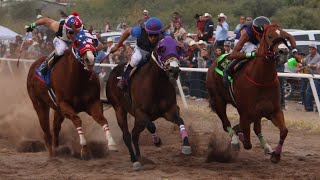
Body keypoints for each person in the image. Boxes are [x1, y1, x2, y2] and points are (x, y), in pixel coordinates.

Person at [222, 16, 298, 86]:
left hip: (255, 41)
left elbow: (289, 36)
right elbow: (234, 54)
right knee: (254, 52)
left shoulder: (268, 28)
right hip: (244, 41)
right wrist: (252, 54)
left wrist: (294, 50)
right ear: (256, 32)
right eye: (260, 35)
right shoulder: (245, 33)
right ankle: (228, 70)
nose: (260, 36)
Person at [110, 17, 165, 90]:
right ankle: (124, 78)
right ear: (146, 30)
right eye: (150, 35)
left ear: (160, 32)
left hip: (154, 51)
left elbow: (172, 41)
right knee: (137, 58)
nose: (153, 38)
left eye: (156, 35)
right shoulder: (139, 30)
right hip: (141, 49)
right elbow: (127, 31)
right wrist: (118, 45)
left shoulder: (163, 33)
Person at [303, 43, 320, 111]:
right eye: (309, 49)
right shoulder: (309, 56)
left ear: (315, 49)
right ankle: (310, 108)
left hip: (316, 77)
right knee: (309, 92)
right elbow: (304, 62)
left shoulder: (318, 57)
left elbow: (317, 67)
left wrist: (311, 66)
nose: (310, 50)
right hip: (310, 76)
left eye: (312, 49)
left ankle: (313, 108)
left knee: (314, 93)